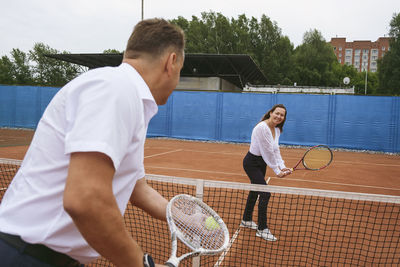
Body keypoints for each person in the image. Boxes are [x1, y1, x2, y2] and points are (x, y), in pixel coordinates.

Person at [0, 18, 185, 267]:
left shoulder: (127, 96)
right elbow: (86, 199)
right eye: (181, 71)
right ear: (171, 62)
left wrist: (183, 218)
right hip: (25, 257)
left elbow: (137, 189)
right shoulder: (117, 89)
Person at [240, 104, 291, 241]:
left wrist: (282, 166)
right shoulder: (262, 128)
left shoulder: (277, 129)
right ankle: (262, 229)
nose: (279, 116)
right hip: (252, 163)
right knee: (265, 193)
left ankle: (246, 219)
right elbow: (267, 151)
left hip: (261, 163)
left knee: (255, 190)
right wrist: (276, 170)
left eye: (282, 115)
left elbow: (275, 150)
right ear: (270, 113)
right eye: (277, 113)